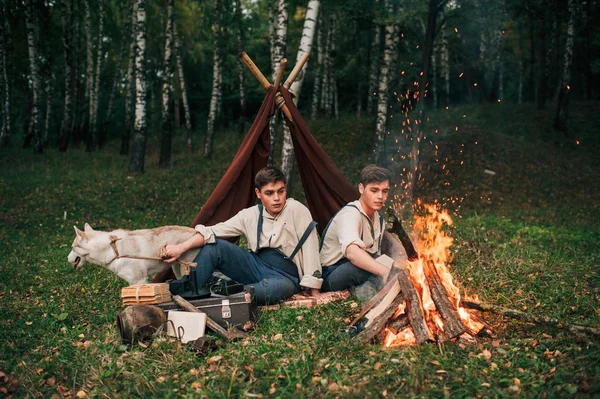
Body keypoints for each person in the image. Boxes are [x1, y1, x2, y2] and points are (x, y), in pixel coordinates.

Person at [163, 167, 322, 305]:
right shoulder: (250, 215)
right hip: (255, 265)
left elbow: (311, 247)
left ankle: (233, 292)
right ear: (258, 193)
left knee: (269, 291)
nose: (276, 198)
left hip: (285, 277)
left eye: (281, 191)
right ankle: (188, 289)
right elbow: (211, 232)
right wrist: (180, 248)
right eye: (269, 193)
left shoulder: (296, 209)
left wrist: (313, 287)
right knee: (216, 246)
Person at [320, 164, 393, 292]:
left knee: (394, 266)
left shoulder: (379, 218)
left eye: (384, 191)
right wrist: (386, 272)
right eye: (374, 190)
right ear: (361, 188)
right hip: (332, 273)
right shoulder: (350, 213)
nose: (380, 196)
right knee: (374, 269)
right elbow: (352, 253)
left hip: (354, 267)